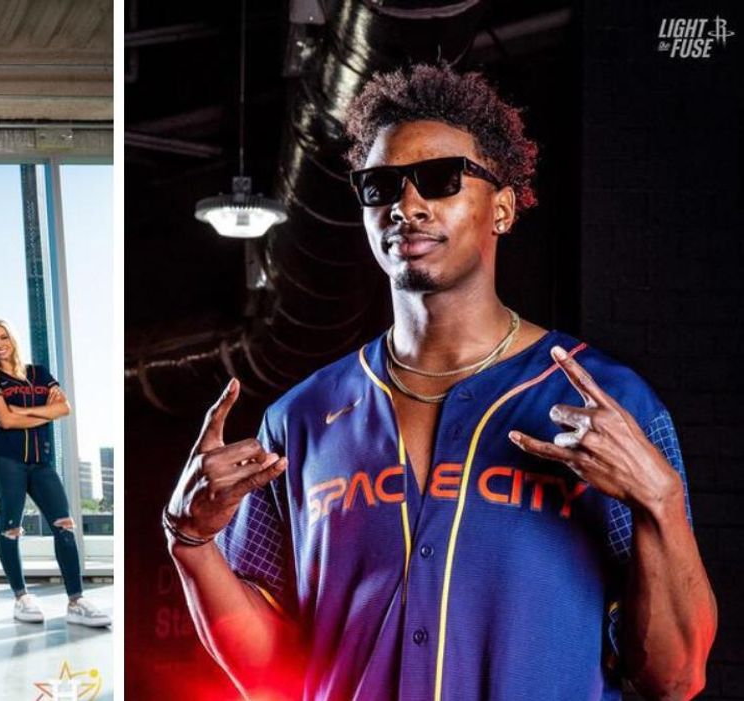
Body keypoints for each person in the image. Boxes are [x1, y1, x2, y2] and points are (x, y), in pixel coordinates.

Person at [164, 63, 717, 700]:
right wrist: (192, 540)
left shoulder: (603, 402)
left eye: (439, 179)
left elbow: (674, 679)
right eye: (380, 186)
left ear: (502, 207)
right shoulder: (302, 420)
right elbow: (270, 673)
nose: (407, 206)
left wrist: (661, 503)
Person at [0, 319, 111, 627]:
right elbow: (6, 422)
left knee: (64, 525)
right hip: (6, 460)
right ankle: (21, 597)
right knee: (10, 528)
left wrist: (22, 411)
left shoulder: (38, 372)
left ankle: (76, 601)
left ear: (13, 339)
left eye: (3, 337)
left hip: (42, 463)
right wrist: (39, 412)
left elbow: (64, 408)